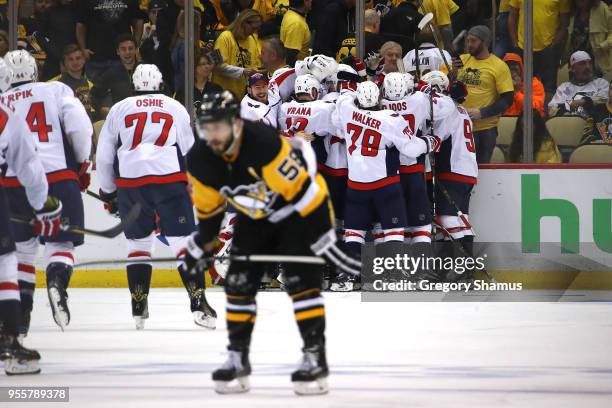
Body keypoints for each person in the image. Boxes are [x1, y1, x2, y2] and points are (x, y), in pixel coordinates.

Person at [185, 91, 335, 395]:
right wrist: (203, 244)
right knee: (238, 282)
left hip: (298, 209)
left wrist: (321, 234)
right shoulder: (200, 159)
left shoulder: (263, 144)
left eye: (219, 127)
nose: (212, 135)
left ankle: (315, 357)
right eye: (207, 127)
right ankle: (237, 357)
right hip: (254, 217)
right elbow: (210, 210)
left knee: (300, 281)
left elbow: (305, 191)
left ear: (236, 125)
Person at [95, 64, 217, 330]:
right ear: (161, 84)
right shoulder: (174, 107)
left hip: (131, 181)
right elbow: (190, 150)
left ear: (133, 84)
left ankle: (139, 305)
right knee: (183, 242)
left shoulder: (119, 109)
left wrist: (109, 192)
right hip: (169, 179)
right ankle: (198, 302)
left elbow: (104, 156)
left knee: (138, 244)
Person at [2, 50, 92, 334]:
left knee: (24, 253)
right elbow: (79, 126)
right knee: (61, 245)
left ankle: (22, 317)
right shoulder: (54, 89)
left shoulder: (1, 102)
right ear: (35, 71)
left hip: (13, 185)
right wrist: (81, 164)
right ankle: (56, 282)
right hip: (56, 175)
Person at [0, 58, 61, 376]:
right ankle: (10, 344)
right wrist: (43, 205)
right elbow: (30, 170)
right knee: (6, 264)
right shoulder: (6, 118)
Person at [333, 80, 440, 260]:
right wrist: (429, 142)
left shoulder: (347, 110)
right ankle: (390, 273)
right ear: (380, 98)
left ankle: (349, 276)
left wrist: (352, 90)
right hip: (385, 185)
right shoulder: (390, 118)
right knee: (393, 230)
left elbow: (342, 102)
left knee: (354, 231)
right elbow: (411, 149)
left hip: (356, 185)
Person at [424, 70, 479, 282]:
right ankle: (445, 270)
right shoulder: (462, 110)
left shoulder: (447, 112)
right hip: (467, 172)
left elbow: (437, 139)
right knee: (460, 219)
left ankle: (466, 267)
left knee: (446, 218)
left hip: (452, 171)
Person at [380, 72, 436, 278]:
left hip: (388, 172)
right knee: (420, 223)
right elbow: (441, 106)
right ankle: (422, 271)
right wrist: (422, 84)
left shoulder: (379, 106)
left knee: (389, 224)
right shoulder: (419, 100)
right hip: (413, 170)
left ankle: (389, 270)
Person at [457, 25, 514, 163]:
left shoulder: (498, 66)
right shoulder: (462, 60)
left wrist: (482, 112)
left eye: (474, 41)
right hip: (460, 125)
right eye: (468, 41)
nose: (469, 44)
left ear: (485, 42)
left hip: (484, 129)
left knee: (481, 170)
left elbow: (507, 99)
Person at [508, 0, 571, 98]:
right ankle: (525, 112)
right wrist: (515, 42)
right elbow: (512, 16)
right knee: (523, 87)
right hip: (523, 47)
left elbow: (564, 23)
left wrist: (554, 45)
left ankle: (545, 111)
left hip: (548, 48)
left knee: (548, 88)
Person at [76, 0, 145, 82]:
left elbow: (138, 20)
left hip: (123, 58)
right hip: (96, 58)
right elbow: (80, 25)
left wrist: (135, 45)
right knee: (96, 93)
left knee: (125, 92)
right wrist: (83, 49)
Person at [549, 50, 609, 139]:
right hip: (571, 131)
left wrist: (583, 101)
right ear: (572, 68)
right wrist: (568, 105)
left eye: (589, 63)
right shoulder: (566, 88)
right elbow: (552, 109)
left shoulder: (601, 84)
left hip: (597, 131)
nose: (588, 67)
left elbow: (605, 100)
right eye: (582, 64)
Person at [212, 9, 263, 99]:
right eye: (253, 28)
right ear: (244, 23)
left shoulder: (252, 39)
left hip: (243, 96)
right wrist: (242, 71)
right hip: (224, 95)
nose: (254, 31)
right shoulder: (225, 37)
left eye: (257, 29)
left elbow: (255, 66)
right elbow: (217, 66)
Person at [90, 34, 140, 119]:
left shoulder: (148, 69)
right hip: (122, 119)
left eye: (130, 48)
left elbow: (164, 91)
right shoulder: (111, 73)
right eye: (123, 49)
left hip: (145, 117)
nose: (127, 52)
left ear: (136, 50)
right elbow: (92, 95)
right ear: (118, 52)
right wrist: (100, 109)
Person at [567, 0, 612, 80]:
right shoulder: (571, 10)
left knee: (595, 89)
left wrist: (603, 45)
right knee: (576, 89)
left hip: (595, 59)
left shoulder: (601, 8)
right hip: (575, 61)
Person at [49, 44, 96, 120]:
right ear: (65, 63)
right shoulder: (60, 85)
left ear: (84, 60)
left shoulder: (85, 82)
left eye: (78, 58)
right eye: (70, 59)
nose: (75, 62)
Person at [503, 53, 546, 117]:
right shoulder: (500, 85)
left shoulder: (535, 84)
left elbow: (533, 109)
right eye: (508, 65)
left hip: (530, 121)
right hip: (506, 121)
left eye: (515, 64)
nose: (511, 67)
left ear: (521, 67)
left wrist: (516, 91)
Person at [261, 36, 296, 104]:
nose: (259, 56)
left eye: (263, 53)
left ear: (273, 56)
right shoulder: (259, 77)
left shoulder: (293, 78)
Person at [280, 0, 312, 66]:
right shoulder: (297, 23)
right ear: (305, 2)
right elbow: (291, 56)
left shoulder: (290, 13)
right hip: (297, 70)